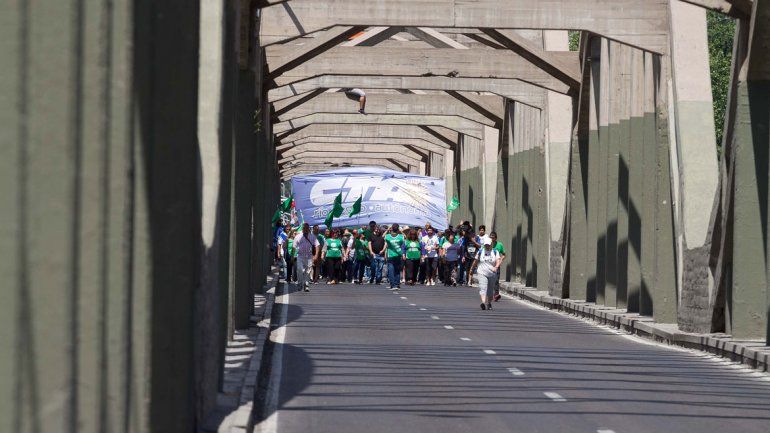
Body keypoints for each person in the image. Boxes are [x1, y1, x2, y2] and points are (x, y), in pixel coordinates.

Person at [471, 239, 503, 310]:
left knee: (490, 290)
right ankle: (483, 302)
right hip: (482, 272)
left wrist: (496, 267)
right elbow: (475, 261)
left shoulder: (495, 252)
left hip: (492, 274)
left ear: (491, 244)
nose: (487, 246)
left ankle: (489, 303)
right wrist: (472, 269)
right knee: (483, 287)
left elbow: (498, 260)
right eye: (486, 245)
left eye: (488, 245)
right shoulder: (480, 251)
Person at [293, 223, 320, 292]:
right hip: (300, 256)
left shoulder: (312, 236)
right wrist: (292, 256)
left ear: (308, 229)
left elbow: (317, 245)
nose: (305, 229)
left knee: (308, 271)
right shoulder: (298, 236)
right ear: (302, 229)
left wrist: (316, 255)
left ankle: (306, 284)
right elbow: (294, 247)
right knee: (299, 269)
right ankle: (300, 284)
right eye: (304, 228)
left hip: (309, 256)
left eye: (307, 228)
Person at [385, 223, 405, 291]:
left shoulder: (387, 236)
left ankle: (393, 285)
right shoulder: (401, 236)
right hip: (398, 255)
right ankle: (397, 284)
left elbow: (382, 236)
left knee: (391, 271)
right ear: (398, 229)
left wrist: (388, 229)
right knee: (397, 271)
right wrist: (401, 231)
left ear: (392, 228)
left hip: (391, 255)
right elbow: (405, 237)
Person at [490, 231, 506, 302]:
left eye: (493, 238)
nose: (492, 239)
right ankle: (489, 294)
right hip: (489, 265)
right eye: (491, 237)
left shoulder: (499, 245)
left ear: (496, 238)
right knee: (490, 280)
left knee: (496, 280)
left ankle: (496, 294)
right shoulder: (487, 244)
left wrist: (501, 259)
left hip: (496, 265)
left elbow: (504, 254)